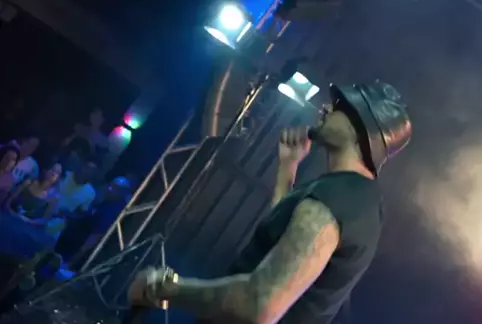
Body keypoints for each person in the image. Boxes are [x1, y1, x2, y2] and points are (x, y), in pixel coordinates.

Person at [128, 81, 412, 324]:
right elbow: (282, 241)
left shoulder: (337, 198)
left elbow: (260, 302)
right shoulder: (358, 200)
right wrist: (288, 168)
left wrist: (164, 289)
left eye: (339, 106)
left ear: (360, 128)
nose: (326, 108)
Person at [46, 161, 97, 241]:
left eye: (90, 172)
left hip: (56, 225)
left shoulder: (90, 192)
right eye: (85, 168)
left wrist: (68, 214)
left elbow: (80, 213)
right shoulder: (63, 175)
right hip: (41, 212)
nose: (85, 172)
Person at [4, 162, 63, 227]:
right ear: (45, 170)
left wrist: (28, 221)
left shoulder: (54, 197)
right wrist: (10, 212)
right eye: (52, 169)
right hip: (9, 217)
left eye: (57, 172)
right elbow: (10, 199)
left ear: (58, 177)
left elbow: (45, 220)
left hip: (28, 227)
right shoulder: (29, 182)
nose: (53, 174)